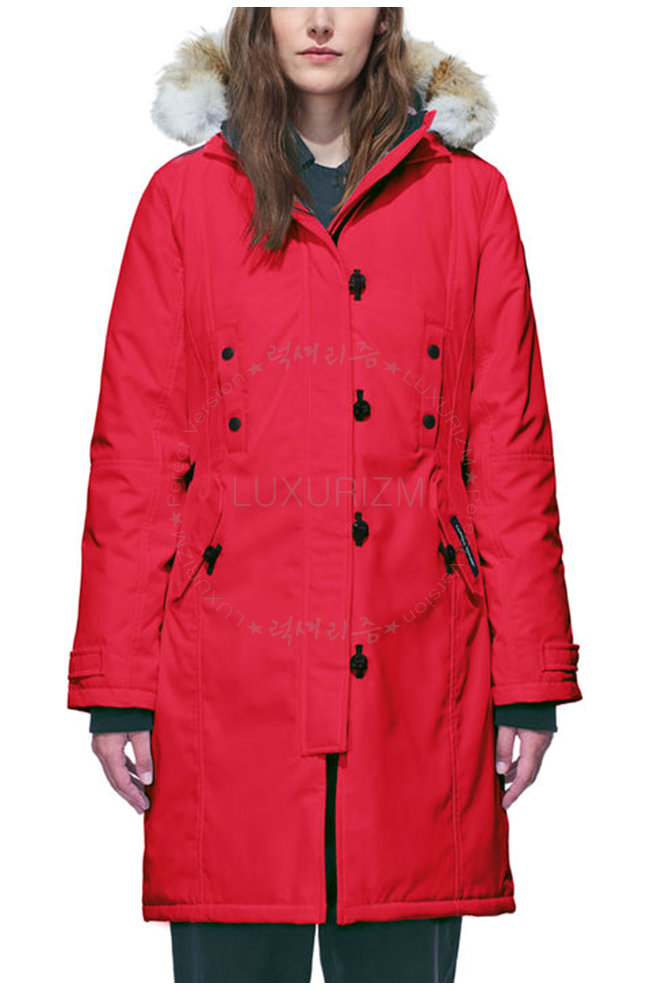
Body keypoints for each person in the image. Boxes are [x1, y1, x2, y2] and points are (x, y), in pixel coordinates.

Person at [66, 7, 583, 983]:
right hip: (227, 688)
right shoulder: (184, 202)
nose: (316, 21)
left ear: (384, 14)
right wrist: (118, 687)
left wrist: (528, 676)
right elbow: (135, 456)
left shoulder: (467, 200)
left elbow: (510, 451)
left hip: (417, 680)